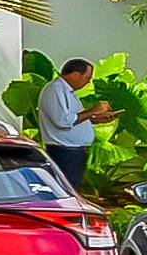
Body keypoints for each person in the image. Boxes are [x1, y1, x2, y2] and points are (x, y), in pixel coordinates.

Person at [36, 56, 101, 191]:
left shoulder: (67, 91)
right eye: (86, 78)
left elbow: (73, 119)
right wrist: (93, 110)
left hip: (72, 151)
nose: (88, 83)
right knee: (67, 190)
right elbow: (62, 121)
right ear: (75, 75)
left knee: (72, 189)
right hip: (64, 151)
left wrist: (95, 117)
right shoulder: (55, 89)